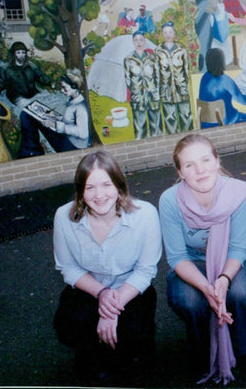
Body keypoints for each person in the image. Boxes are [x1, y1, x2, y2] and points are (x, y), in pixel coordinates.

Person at [159, 134, 246, 385]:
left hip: (228, 260)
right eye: (189, 164)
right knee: (189, 300)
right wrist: (206, 288)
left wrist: (223, 280)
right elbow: (177, 257)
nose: (200, 170)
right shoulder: (170, 200)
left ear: (217, 161)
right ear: (180, 172)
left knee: (241, 293)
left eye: (205, 160)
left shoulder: (235, 193)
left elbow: (238, 248)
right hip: (191, 264)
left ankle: (241, 343)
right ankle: (202, 349)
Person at [52, 150, 161, 384]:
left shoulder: (145, 215)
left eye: (106, 184)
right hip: (90, 288)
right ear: (81, 191)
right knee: (71, 324)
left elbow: (145, 270)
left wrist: (112, 307)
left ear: (119, 186)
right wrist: (102, 295)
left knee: (133, 333)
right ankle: (92, 356)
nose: (99, 195)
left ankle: (133, 359)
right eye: (89, 187)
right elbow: (68, 268)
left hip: (130, 288)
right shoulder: (64, 216)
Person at [17, 69, 91, 158]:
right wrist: (56, 116)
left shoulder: (80, 107)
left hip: (72, 146)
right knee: (29, 113)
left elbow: (83, 133)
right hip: (68, 139)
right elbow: (71, 120)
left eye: (64, 88)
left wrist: (54, 125)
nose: (62, 90)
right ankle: (32, 151)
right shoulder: (72, 101)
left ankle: (31, 152)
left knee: (27, 116)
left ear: (74, 86)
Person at [198, 48, 246, 127]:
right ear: (221, 62)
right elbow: (241, 98)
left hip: (207, 124)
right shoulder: (225, 80)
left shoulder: (204, 78)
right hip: (227, 121)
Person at [155, 21, 192, 134]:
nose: (168, 35)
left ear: (174, 33)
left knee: (186, 115)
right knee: (170, 117)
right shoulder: (158, 52)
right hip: (166, 89)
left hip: (181, 88)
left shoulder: (181, 50)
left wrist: (184, 84)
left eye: (170, 32)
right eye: (165, 32)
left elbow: (186, 71)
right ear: (162, 34)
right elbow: (157, 73)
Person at [124, 31, 161, 139]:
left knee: (156, 126)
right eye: (136, 40)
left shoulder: (152, 58)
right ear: (133, 42)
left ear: (144, 41)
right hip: (138, 96)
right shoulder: (128, 59)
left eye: (141, 40)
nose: (139, 42)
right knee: (140, 128)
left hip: (152, 95)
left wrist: (154, 90)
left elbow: (157, 76)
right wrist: (136, 90)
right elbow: (128, 80)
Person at [4, 41, 52, 110]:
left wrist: (48, 81)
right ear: (14, 54)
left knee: (48, 104)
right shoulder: (7, 69)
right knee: (30, 108)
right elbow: (0, 84)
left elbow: (40, 76)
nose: (21, 55)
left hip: (34, 94)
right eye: (18, 52)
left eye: (23, 52)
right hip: (18, 98)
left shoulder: (30, 66)